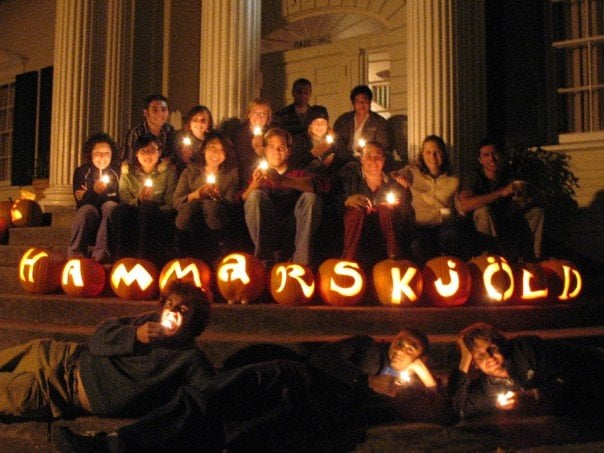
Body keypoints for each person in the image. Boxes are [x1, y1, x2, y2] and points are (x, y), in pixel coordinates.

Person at [58, 329, 456, 451]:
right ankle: (115, 444)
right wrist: (363, 380)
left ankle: (120, 446)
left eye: (413, 350)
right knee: (209, 398)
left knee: (230, 431)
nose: (403, 350)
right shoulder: (366, 347)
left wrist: (419, 373)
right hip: (297, 378)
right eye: (402, 342)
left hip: (316, 413)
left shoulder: (407, 387)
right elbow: (322, 360)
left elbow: (442, 414)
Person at [0, 282, 214, 421]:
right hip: (62, 355)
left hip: (57, 392)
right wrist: (134, 335)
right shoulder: (147, 322)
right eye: (170, 303)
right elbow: (97, 339)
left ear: (194, 322)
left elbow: (213, 394)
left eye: (183, 310)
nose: (173, 311)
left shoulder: (190, 359)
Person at [448, 322, 604, 420]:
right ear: (474, 363)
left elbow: (571, 374)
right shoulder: (487, 387)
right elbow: (460, 409)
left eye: (492, 349)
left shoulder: (525, 349)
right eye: (480, 355)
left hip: (595, 365)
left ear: (500, 345)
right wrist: (465, 358)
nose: (489, 357)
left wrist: (531, 395)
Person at [241, 127, 329, 266]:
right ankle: (263, 262)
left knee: (311, 197)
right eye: (271, 147)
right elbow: (241, 200)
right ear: (265, 150)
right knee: (255, 195)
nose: (276, 151)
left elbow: (321, 185)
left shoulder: (298, 172)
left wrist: (282, 180)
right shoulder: (255, 172)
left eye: (281, 147)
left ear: (288, 151)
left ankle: (302, 263)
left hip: (293, 226)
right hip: (267, 226)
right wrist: (254, 185)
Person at [457, 139, 544, 261]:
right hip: (482, 231)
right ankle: (492, 260)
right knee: (483, 211)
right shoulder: (474, 178)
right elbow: (464, 204)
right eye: (486, 155)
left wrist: (524, 200)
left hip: (506, 225)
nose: (492, 159)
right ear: (480, 160)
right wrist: (501, 193)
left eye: (494, 153)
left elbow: (538, 197)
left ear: (501, 155)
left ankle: (530, 261)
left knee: (536, 212)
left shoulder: (509, 175)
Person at [392, 135, 474, 262]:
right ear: (422, 155)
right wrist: (397, 176)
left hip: (445, 225)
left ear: (444, 154)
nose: (433, 157)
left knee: (453, 237)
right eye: (428, 152)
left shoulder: (454, 179)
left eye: (437, 152)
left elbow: (459, 206)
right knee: (418, 246)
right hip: (420, 226)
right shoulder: (412, 172)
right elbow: (394, 175)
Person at [340, 141, 413, 264]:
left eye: (378, 157)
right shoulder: (348, 179)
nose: (373, 161)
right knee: (356, 210)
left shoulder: (394, 184)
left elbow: (406, 212)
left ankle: (394, 259)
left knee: (385, 208)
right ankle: (348, 260)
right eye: (368, 156)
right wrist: (346, 201)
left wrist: (396, 209)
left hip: (384, 236)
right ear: (361, 158)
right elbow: (333, 202)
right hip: (357, 235)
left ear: (384, 160)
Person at [110, 134, 177, 268]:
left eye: (152, 150)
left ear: (159, 152)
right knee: (120, 211)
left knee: (148, 209)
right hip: (134, 212)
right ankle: (122, 260)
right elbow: (125, 199)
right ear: (136, 154)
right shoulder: (128, 173)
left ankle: (145, 260)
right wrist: (139, 201)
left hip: (158, 214)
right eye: (143, 151)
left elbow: (170, 201)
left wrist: (149, 205)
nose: (148, 155)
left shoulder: (168, 171)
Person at [173, 131, 239, 263]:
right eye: (212, 147)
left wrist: (218, 197)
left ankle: (218, 252)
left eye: (222, 150)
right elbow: (176, 202)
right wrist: (195, 194)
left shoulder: (230, 174)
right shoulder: (190, 171)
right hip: (190, 215)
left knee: (210, 206)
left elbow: (230, 204)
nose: (216, 153)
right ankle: (181, 253)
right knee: (188, 209)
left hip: (216, 217)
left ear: (226, 155)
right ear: (204, 149)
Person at [67, 133, 120, 263]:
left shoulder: (117, 172)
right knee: (86, 209)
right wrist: (94, 192)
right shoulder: (82, 172)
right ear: (90, 154)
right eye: (98, 153)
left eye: (106, 153)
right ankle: (75, 254)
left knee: (110, 206)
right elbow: (80, 201)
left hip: (108, 216)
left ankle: (100, 256)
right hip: (91, 215)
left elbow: (117, 199)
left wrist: (88, 194)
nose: (102, 157)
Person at [332, 85, 391, 170]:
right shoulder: (344, 120)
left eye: (365, 100)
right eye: (357, 101)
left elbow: (382, 146)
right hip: (344, 160)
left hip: (368, 161)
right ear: (353, 103)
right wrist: (347, 157)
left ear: (370, 102)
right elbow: (337, 141)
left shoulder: (379, 122)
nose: (361, 104)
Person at [229, 98, 273, 188]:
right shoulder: (239, 133)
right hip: (244, 178)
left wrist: (263, 152)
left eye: (263, 114)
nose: (259, 117)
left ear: (268, 117)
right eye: (255, 113)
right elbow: (237, 159)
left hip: (267, 178)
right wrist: (253, 151)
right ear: (249, 114)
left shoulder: (272, 133)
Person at [122, 94, 177, 163]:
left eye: (163, 110)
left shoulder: (169, 131)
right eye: (155, 110)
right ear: (145, 113)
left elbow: (172, 158)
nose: (160, 113)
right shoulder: (135, 133)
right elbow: (128, 160)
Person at [290, 107, 335, 173]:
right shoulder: (299, 141)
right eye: (315, 122)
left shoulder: (333, 140)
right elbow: (294, 166)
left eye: (323, 122)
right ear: (309, 125)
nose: (320, 125)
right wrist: (312, 154)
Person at [173, 105, 214, 176]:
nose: (199, 123)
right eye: (195, 120)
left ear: (209, 124)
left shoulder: (212, 141)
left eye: (203, 120)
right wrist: (186, 158)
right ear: (190, 123)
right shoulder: (179, 138)